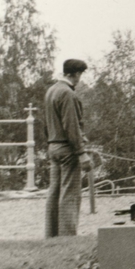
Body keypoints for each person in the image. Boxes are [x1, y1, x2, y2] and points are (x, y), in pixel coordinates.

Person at [44, 58, 90, 237]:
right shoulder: (68, 94)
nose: (80, 79)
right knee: (70, 195)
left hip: (53, 146)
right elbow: (71, 126)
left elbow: (46, 125)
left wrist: (51, 143)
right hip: (67, 149)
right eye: (80, 74)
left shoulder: (51, 91)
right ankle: (67, 237)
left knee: (54, 193)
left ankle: (51, 235)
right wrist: (81, 152)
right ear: (76, 74)